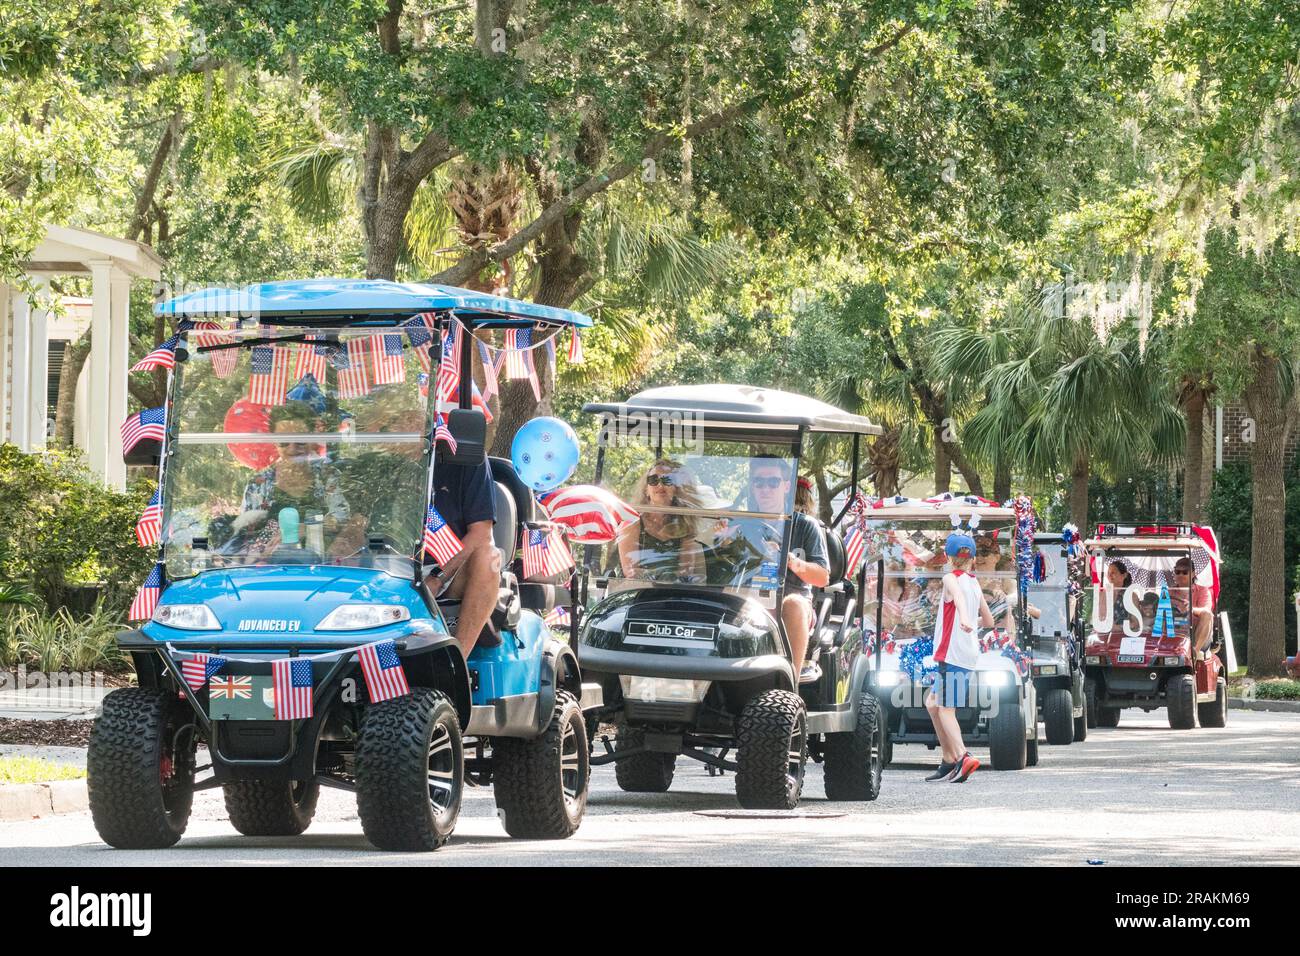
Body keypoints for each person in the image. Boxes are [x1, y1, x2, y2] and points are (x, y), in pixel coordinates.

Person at [719, 455, 828, 683]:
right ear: (752, 486)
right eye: (759, 482)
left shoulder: (804, 525)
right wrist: (720, 540)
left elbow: (822, 577)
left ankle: (791, 688)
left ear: (786, 486)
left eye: (773, 482)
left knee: (794, 604)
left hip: (787, 598)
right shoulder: (740, 521)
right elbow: (717, 564)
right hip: (745, 597)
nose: (765, 489)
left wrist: (789, 560)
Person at [233, 401, 363, 558]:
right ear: (274, 441)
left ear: (311, 437)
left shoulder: (327, 475)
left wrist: (306, 529)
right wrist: (261, 553)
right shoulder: (259, 483)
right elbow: (245, 532)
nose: (292, 448)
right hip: (270, 567)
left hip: (321, 564)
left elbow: (342, 520)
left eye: (300, 441)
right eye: (284, 441)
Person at [924, 524, 994, 784]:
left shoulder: (949, 578)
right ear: (973, 559)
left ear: (947, 557)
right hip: (965, 654)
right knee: (931, 703)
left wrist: (963, 617)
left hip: (952, 655)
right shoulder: (975, 584)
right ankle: (948, 759)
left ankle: (963, 757)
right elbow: (987, 620)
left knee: (945, 709)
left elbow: (958, 600)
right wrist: (970, 620)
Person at [428, 447, 500, 659]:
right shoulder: (381, 454)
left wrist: (436, 579)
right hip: (389, 565)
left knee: (490, 557)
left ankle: (455, 662)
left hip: (449, 570)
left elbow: (481, 534)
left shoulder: (468, 455)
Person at [616, 459, 705, 582]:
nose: (660, 485)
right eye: (653, 480)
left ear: (675, 489)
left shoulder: (684, 524)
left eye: (667, 480)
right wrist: (661, 578)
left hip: (674, 592)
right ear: (646, 490)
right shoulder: (631, 521)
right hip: (637, 594)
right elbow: (631, 572)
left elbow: (686, 571)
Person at [1168, 556, 1214, 652]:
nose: (1180, 575)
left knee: (1207, 615)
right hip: (1175, 632)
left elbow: (1206, 610)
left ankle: (1193, 653)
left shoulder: (1202, 590)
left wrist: (1191, 609)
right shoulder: (1168, 592)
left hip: (1197, 633)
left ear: (1193, 574)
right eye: (1177, 572)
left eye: (1185, 572)